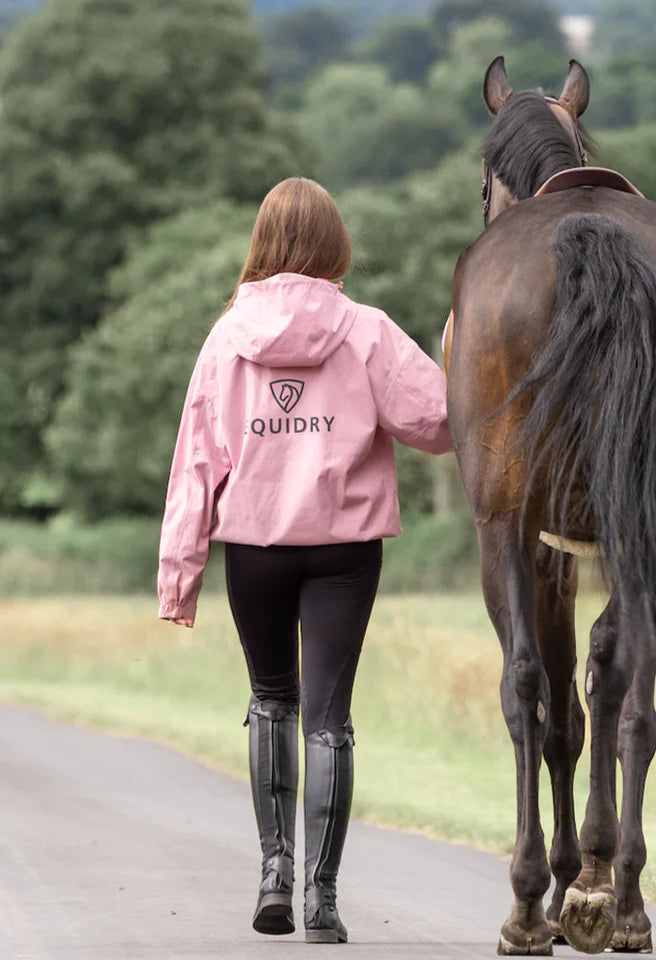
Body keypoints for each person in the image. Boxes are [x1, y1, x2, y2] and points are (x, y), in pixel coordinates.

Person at [157, 177, 452, 943]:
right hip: (344, 553)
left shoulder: (227, 337)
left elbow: (196, 459)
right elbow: (439, 420)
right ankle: (322, 899)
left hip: (253, 549)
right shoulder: (367, 330)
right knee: (328, 719)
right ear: (334, 245)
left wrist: (180, 571)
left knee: (270, 702)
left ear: (262, 242)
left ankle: (274, 877)